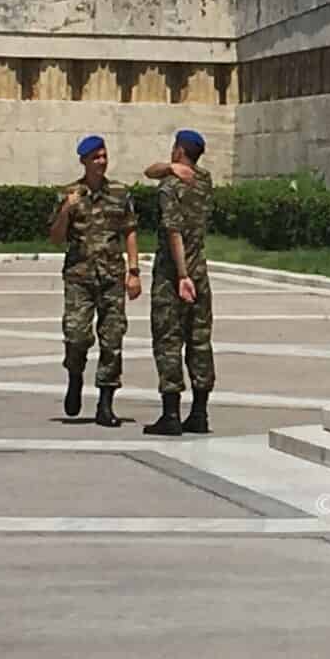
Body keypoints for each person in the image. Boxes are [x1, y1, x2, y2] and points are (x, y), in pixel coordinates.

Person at [48, 135, 141, 427]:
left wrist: (134, 271)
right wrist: (66, 209)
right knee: (76, 336)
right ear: (84, 161)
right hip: (79, 277)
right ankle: (75, 375)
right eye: (95, 157)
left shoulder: (120, 193)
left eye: (104, 156)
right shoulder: (68, 193)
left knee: (112, 340)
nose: (101, 161)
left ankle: (105, 404)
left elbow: (129, 231)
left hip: (112, 276)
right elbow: (55, 238)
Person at [141, 130, 215, 436]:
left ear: (179, 150)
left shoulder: (170, 187)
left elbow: (173, 232)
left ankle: (170, 414)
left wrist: (181, 275)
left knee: (168, 342)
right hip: (202, 273)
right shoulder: (205, 181)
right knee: (199, 342)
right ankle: (199, 413)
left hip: (175, 276)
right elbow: (151, 170)